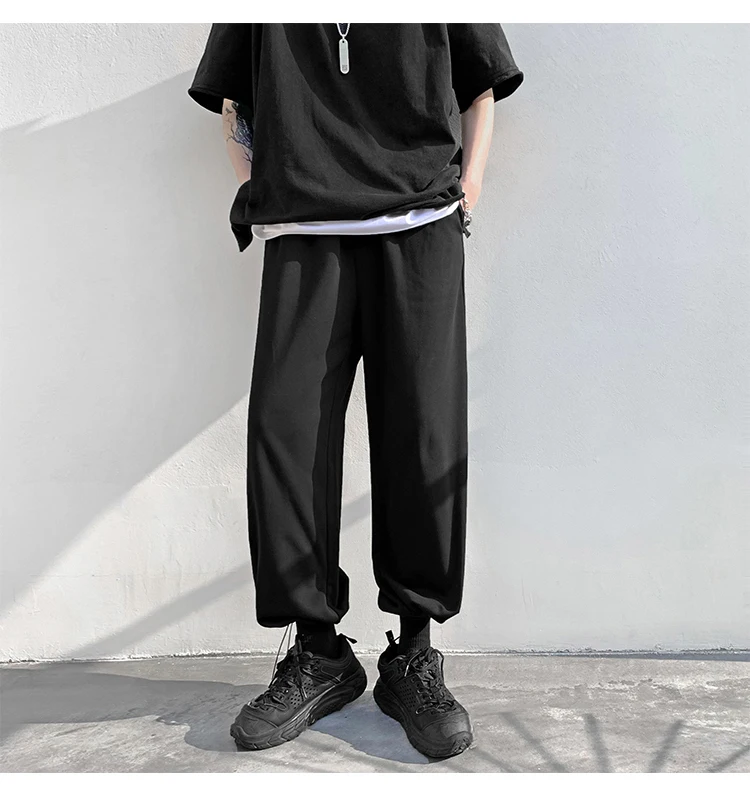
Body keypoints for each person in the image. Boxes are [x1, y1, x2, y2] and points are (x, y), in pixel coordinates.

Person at [188, 22, 523, 759]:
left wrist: (468, 188)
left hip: (420, 224)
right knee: (286, 435)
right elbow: (233, 100)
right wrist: (260, 186)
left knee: (423, 432)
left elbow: (481, 83)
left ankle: (413, 653)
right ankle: (319, 653)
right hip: (304, 232)